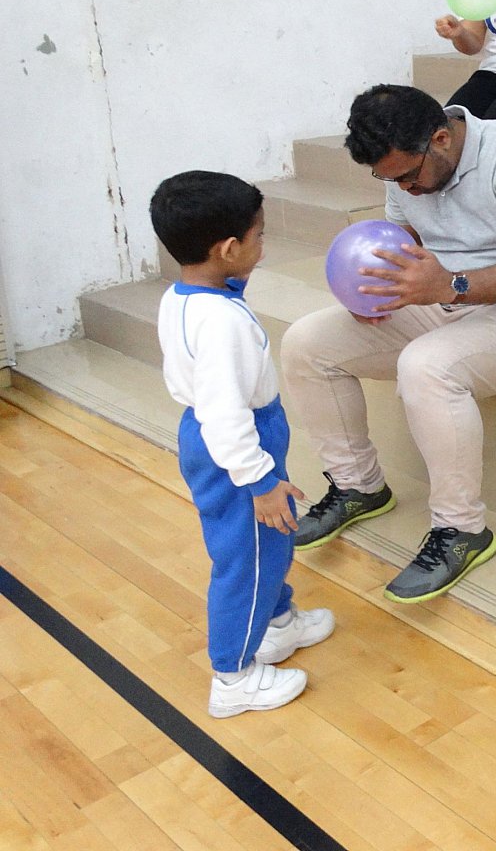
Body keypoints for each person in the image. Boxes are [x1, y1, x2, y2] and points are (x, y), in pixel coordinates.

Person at [280, 85, 496, 602]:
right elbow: (406, 248)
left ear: (441, 138)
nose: (404, 189)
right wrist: (375, 292)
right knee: (305, 342)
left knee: (425, 366)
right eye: (389, 179)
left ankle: (462, 529)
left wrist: (450, 284)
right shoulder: (407, 167)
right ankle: (358, 486)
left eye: (407, 176)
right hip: (444, 300)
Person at [150, 171, 334, 718]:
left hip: (225, 439)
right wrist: (259, 481)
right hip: (234, 446)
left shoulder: (185, 296)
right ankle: (232, 677)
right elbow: (224, 414)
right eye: (259, 236)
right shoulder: (220, 322)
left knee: (267, 545)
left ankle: (276, 623)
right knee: (246, 559)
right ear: (228, 249)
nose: (263, 245)